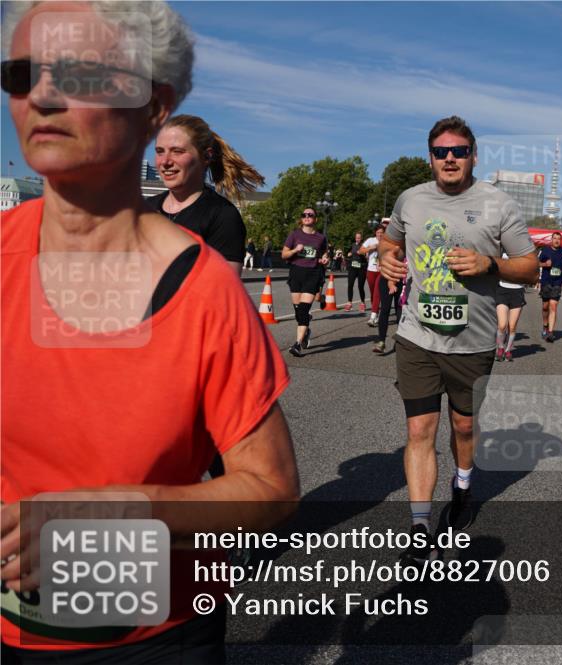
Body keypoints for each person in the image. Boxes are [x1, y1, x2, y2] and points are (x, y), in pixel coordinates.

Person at [0, 1, 299, 661]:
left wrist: (119, 513)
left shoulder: (205, 287)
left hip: (155, 635)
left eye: (79, 73)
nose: (43, 94)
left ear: (154, 104)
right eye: (23, 72)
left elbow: (271, 490)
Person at [378, 116, 538, 561]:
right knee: (419, 429)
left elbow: (529, 267)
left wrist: (490, 264)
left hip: (473, 340)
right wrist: (390, 262)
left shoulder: (498, 203)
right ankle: (419, 524)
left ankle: (463, 486)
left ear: (473, 156)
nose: (450, 159)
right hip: (416, 336)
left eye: (459, 151)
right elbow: (388, 242)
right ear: (430, 156)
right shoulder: (410, 199)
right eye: (441, 152)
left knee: (463, 426)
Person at [150, 114, 264, 275]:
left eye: (177, 151)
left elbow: (224, 290)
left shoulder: (222, 216)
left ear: (206, 156)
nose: (165, 161)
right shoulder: (143, 210)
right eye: (160, 152)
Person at [282, 208, 329, 356]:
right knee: (298, 312)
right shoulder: (294, 235)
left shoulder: (321, 238)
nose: (307, 217)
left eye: (310, 215)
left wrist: (325, 259)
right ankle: (306, 330)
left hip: (312, 274)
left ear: (315, 219)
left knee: (303, 309)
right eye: (304, 215)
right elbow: (284, 254)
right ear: (302, 219)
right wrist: (295, 250)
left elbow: (324, 253)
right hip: (296, 272)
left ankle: (297, 344)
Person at [538, 231, 562, 343]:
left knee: (553, 306)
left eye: (558, 239)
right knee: (545, 307)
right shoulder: (545, 250)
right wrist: (544, 264)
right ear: (551, 240)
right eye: (554, 238)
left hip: (557, 282)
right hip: (546, 282)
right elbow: (536, 263)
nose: (556, 240)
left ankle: (550, 333)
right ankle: (545, 326)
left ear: (560, 241)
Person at [495, 252, 526, 361]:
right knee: (502, 325)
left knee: (512, 326)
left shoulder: (524, 252)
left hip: (517, 291)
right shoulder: (502, 250)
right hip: (502, 289)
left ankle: (508, 350)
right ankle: (500, 348)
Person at [361, 227, 382, 326]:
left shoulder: (387, 241)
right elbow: (360, 251)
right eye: (378, 232)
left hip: (381, 271)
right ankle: (376, 312)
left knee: (377, 292)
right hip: (371, 270)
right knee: (373, 293)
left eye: (382, 232)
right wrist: (370, 248)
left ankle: (372, 317)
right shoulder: (370, 240)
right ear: (375, 233)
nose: (380, 234)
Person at [343, 231, 366, 312]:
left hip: (361, 268)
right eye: (356, 238)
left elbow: (367, 255)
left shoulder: (364, 245)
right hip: (353, 267)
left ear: (361, 238)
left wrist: (363, 254)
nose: (357, 239)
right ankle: (349, 303)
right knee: (350, 285)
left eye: (359, 238)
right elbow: (347, 253)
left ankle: (362, 303)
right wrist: (348, 254)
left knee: (360, 286)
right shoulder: (352, 245)